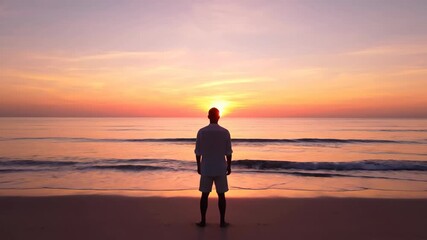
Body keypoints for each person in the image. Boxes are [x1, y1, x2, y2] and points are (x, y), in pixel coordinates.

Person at [195, 107, 232, 228]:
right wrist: (229, 166)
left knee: (204, 194)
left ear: (208, 117)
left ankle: (203, 221)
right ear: (219, 117)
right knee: (221, 195)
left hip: (206, 167)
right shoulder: (225, 132)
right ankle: (222, 221)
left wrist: (199, 166)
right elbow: (228, 152)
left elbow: (198, 152)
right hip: (221, 167)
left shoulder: (202, 132)